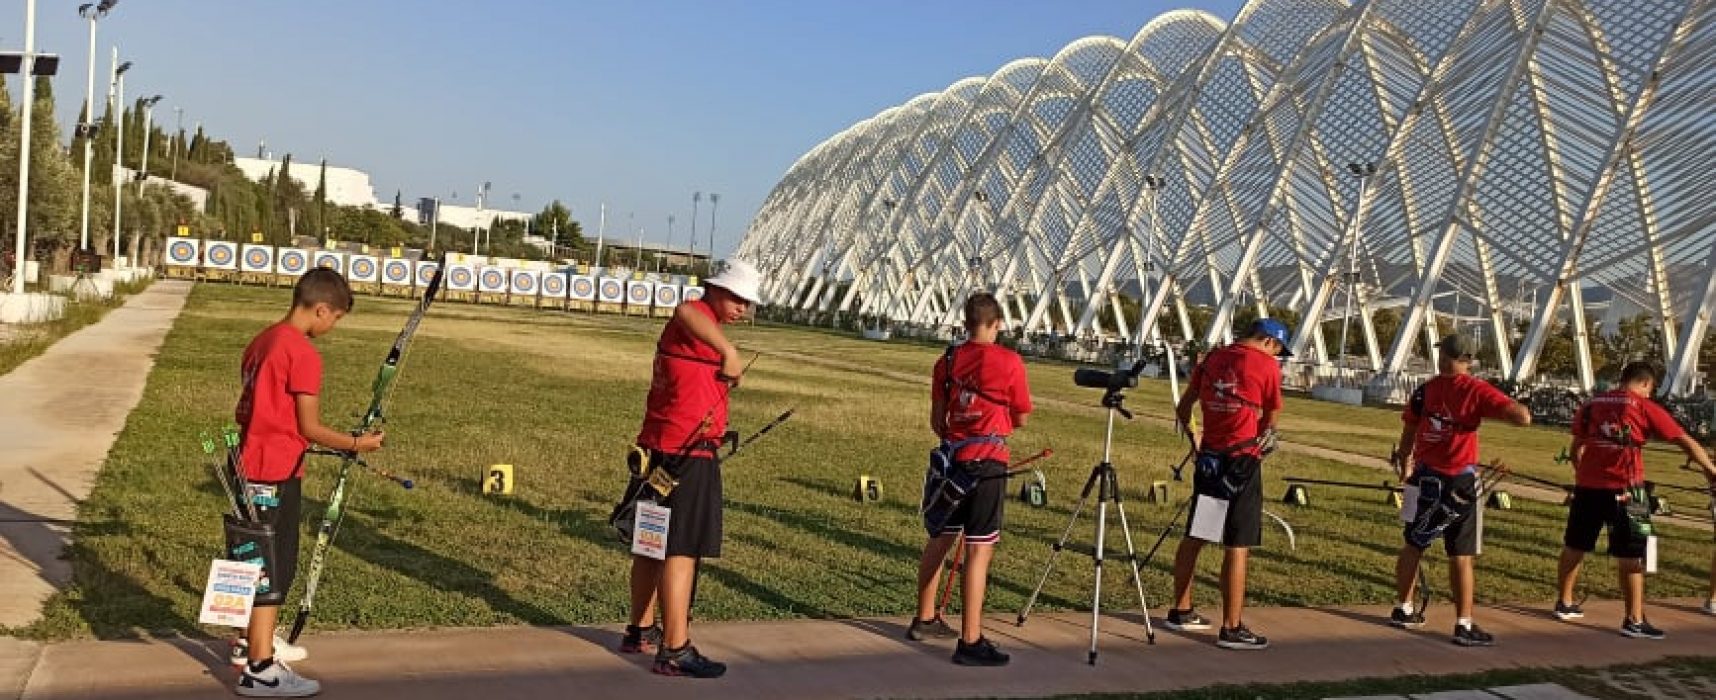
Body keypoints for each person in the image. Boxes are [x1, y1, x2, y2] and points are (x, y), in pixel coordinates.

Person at [232, 268, 384, 697]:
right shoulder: (301, 352)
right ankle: (259, 669)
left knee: (254, 559)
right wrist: (358, 443)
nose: (332, 327)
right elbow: (310, 426)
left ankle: (253, 642)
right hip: (272, 469)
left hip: (247, 463)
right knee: (273, 565)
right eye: (334, 318)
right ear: (321, 309)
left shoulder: (264, 339)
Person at [620, 260, 760, 678]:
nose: (743, 308)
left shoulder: (703, 330)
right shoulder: (696, 316)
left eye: (747, 302)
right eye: (736, 297)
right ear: (714, 290)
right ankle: (675, 648)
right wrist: (729, 352)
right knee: (681, 549)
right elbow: (684, 311)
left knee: (650, 543)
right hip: (686, 452)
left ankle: (639, 630)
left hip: (662, 448)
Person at [908, 292, 1033, 666]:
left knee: (940, 537)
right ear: (996, 324)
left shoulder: (946, 361)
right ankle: (971, 638)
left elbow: (937, 419)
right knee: (980, 549)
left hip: (951, 462)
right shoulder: (1009, 361)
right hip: (988, 462)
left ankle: (925, 616)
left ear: (965, 323)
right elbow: (1022, 415)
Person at [1554, 361, 1716, 638]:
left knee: (1575, 545)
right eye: (1650, 389)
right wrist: (1711, 472)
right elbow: (1684, 440)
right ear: (1645, 383)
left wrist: (1583, 475)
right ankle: (1634, 620)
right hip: (1631, 490)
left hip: (1588, 489)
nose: (1650, 394)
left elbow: (1575, 448)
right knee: (1634, 555)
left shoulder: (1591, 405)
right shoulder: (1644, 406)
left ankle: (1565, 602)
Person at [1388, 333, 1529, 647]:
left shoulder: (1426, 390)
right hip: (1459, 481)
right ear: (1468, 360)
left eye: (1441, 355)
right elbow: (1522, 418)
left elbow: (1408, 431)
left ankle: (1403, 608)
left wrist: (1405, 464)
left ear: (1447, 357)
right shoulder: (1476, 389)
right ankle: (1463, 624)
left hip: (1424, 479)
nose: (1438, 359)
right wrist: (1510, 406)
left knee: (1413, 544)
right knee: (1461, 555)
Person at [1167, 318, 1291, 651]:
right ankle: (1232, 627)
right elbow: (1271, 417)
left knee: (1198, 534)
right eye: (1279, 349)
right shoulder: (1265, 365)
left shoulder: (1213, 358)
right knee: (1238, 544)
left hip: (1210, 461)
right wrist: (1260, 443)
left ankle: (1181, 610)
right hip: (1241, 464)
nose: (1278, 356)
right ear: (1268, 341)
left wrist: (1195, 441)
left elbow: (1184, 406)